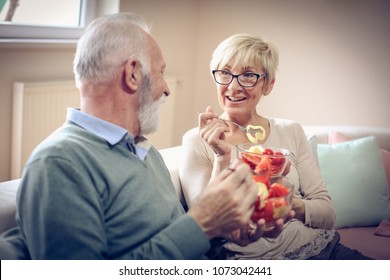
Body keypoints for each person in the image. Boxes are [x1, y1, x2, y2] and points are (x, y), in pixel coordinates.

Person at [6, 13, 292, 260]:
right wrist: (203, 223)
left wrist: (222, 230)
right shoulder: (60, 163)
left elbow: (179, 238)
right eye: (161, 73)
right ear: (132, 74)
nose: (166, 89)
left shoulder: (142, 149)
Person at [179, 33, 372, 260]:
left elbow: (328, 214)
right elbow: (203, 229)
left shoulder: (291, 131)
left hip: (323, 250)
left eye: (248, 75)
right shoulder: (198, 140)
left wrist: (284, 203)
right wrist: (222, 159)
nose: (233, 86)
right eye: (225, 73)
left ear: (268, 85)